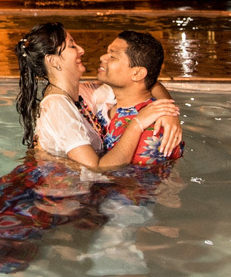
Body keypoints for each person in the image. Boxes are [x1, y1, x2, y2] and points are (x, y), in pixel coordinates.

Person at [15, 22, 180, 169]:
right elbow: (97, 168)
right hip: (62, 197)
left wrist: (168, 110)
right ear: (53, 60)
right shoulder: (57, 106)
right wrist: (138, 123)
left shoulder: (83, 93)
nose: (82, 50)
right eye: (72, 46)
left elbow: (147, 83)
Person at [91, 30, 185, 165]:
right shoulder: (111, 105)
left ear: (137, 73)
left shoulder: (154, 132)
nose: (102, 57)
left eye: (112, 56)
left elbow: (137, 183)